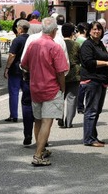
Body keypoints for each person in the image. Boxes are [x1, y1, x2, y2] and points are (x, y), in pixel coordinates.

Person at [20, 17, 70, 167]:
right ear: (55, 31)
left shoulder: (33, 44)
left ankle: (40, 149)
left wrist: (36, 71)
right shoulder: (55, 47)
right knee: (47, 122)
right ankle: (37, 155)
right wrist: (63, 88)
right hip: (51, 88)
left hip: (35, 87)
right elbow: (61, 72)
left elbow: (24, 64)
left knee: (38, 120)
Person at [79, 21, 108, 147]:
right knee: (91, 111)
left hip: (101, 81)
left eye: (99, 29)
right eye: (94, 29)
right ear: (89, 31)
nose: (97, 31)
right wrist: (106, 63)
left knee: (96, 110)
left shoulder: (100, 44)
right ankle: (88, 139)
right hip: (92, 80)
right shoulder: (87, 45)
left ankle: (93, 136)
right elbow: (89, 62)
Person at [4, 19, 30, 123]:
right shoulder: (30, 39)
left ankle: (13, 115)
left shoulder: (17, 40)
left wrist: (7, 68)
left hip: (15, 69)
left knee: (14, 93)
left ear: (20, 29)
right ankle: (28, 114)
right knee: (27, 93)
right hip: (27, 70)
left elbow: (12, 55)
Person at [59, 23, 81, 129]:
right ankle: (69, 121)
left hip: (60, 73)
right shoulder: (76, 45)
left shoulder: (58, 44)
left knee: (60, 97)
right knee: (72, 98)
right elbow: (80, 59)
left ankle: (60, 116)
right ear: (73, 33)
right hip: (74, 73)